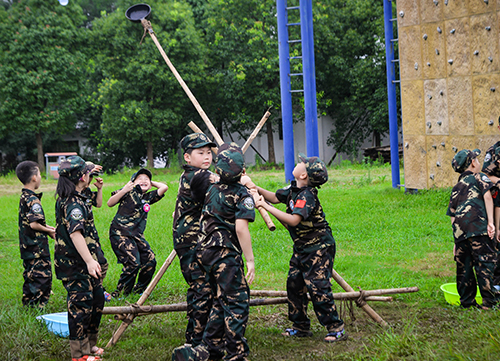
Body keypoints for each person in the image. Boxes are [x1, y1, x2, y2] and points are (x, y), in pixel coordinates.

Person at [249, 153, 347, 343]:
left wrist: (265, 206)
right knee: (294, 285)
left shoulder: (307, 196)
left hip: (318, 247)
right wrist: (253, 187)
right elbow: (275, 197)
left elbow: (294, 220)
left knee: (318, 287)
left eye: (302, 163)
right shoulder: (293, 189)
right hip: (302, 247)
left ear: (304, 175)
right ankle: (300, 326)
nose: (298, 162)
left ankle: (336, 327)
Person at [172, 143, 256, 361]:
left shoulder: (211, 189)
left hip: (203, 251)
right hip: (225, 254)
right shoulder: (242, 195)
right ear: (243, 171)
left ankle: (208, 349)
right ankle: (236, 353)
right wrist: (250, 260)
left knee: (220, 299)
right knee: (237, 300)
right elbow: (240, 228)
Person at [55, 156, 105, 361]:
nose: (90, 174)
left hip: (86, 261)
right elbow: (76, 234)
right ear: (82, 177)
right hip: (75, 264)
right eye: (88, 172)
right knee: (80, 306)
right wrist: (90, 261)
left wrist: (98, 185)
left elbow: (98, 202)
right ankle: (79, 354)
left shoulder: (80, 193)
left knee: (97, 299)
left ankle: (90, 344)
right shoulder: (73, 204)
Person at [173, 133, 217, 346]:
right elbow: (220, 186)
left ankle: (203, 332)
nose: (207, 156)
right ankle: (196, 340)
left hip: (194, 239)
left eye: (209, 152)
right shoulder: (197, 176)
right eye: (201, 153)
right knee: (202, 287)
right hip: (191, 242)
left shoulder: (194, 174)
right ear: (188, 158)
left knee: (200, 286)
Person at [447, 149, 500, 309]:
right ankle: (489, 302)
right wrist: (491, 222)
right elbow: (487, 195)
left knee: (464, 267)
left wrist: (456, 239)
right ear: (472, 163)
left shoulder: (456, 187)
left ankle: (467, 302)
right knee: (485, 263)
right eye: (476, 159)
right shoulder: (480, 177)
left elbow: (452, 214)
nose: (478, 162)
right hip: (479, 228)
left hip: (460, 231)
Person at [108, 168, 168, 297]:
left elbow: (164, 187)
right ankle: (121, 294)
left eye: (146, 179)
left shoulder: (147, 197)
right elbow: (110, 203)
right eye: (139, 178)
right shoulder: (128, 192)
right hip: (120, 233)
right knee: (133, 263)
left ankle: (139, 291)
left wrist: (151, 183)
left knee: (150, 261)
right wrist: (126, 189)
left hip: (136, 235)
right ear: (132, 182)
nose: (143, 180)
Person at [16, 160, 55, 309]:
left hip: (27, 246)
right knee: (42, 278)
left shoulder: (24, 196)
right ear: (34, 178)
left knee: (30, 275)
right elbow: (34, 224)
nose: (40, 177)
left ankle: (28, 304)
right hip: (36, 248)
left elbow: (31, 222)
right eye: (39, 174)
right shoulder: (33, 200)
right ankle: (37, 308)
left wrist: (48, 227)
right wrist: (50, 231)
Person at [82, 162, 111, 302]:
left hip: (92, 235)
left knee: (102, 263)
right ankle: (91, 292)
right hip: (81, 236)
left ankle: (96, 289)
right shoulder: (74, 191)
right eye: (90, 175)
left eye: (93, 176)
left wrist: (99, 189)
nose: (92, 179)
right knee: (89, 265)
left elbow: (98, 204)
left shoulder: (87, 191)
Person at [481, 118, 500, 289]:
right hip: (499, 204)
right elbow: (485, 175)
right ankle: (496, 282)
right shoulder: (494, 151)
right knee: (497, 240)